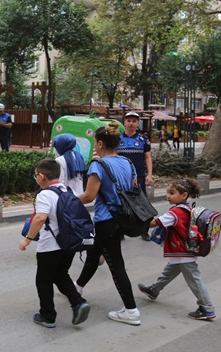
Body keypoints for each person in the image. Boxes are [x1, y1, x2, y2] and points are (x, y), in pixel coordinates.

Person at [74, 121, 142, 326]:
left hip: (106, 220)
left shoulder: (98, 165)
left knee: (116, 265)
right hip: (122, 218)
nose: (94, 145)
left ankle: (131, 310)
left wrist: (65, 201)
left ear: (101, 143)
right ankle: (77, 287)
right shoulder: (127, 163)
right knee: (95, 254)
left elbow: (89, 196)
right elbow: (133, 188)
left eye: (95, 142)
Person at [19, 159, 91, 328]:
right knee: (60, 274)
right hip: (69, 243)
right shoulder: (68, 190)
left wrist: (27, 239)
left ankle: (47, 315)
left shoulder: (44, 194)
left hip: (50, 245)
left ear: (42, 176)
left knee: (43, 280)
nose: (35, 178)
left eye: (35, 175)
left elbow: (40, 217)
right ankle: (78, 303)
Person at [138, 178, 216, 320]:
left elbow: (156, 222)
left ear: (184, 195)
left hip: (182, 251)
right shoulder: (186, 208)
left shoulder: (176, 212)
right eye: (168, 192)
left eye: (172, 193)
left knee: (194, 279)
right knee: (168, 272)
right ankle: (154, 290)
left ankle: (207, 308)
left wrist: (137, 224)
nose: (168, 196)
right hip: (182, 251)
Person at [116, 111, 154, 240]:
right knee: (120, 203)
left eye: (134, 121)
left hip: (139, 177)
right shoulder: (117, 139)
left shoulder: (143, 139)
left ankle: (144, 230)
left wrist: (149, 174)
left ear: (138, 123)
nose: (131, 123)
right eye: (129, 121)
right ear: (124, 122)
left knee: (142, 203)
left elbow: (148, 158)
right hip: (120, 177)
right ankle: (120, 230)